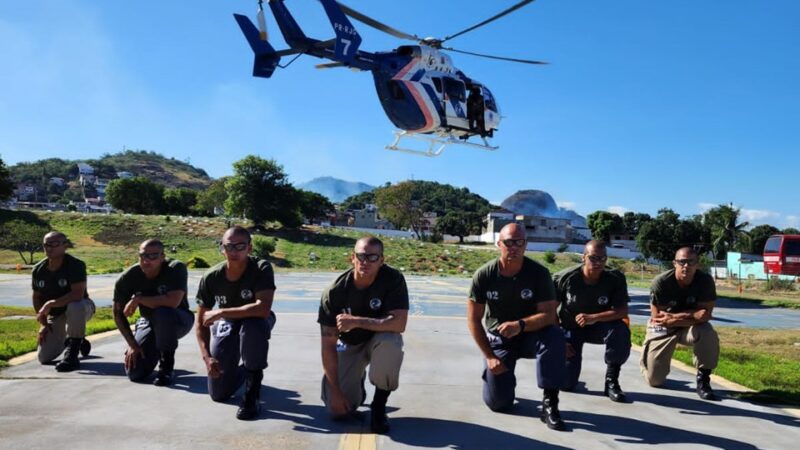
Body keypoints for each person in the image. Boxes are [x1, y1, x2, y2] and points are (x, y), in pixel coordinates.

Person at [467, 223, 567, 431]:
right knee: (498, 404)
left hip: (531, 334)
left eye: (519, 242)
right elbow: (474, 320)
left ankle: (550, 403)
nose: (514, 247)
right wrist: (490, 356)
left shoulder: (539, 273)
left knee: (555, 336)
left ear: (525, 245)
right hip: (501, 338)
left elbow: (549, 315)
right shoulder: (484, 275)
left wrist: (521, 325)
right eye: (508, 242)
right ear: (499, 244)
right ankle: (503, 380)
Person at [318, 236, 408, 434]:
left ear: (382, 260)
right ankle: (356, 382)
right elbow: (327, 345)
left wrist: (357, 321)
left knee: (391, 341)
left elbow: (400, 323)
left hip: (378, 339)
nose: (366, 262)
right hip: (350, 345)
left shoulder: (393, 279)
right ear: (352, 258)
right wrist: (335, 391)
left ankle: (378, 406)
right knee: (338, 412)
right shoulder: (334, 292)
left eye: (373, 257)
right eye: (361, 256)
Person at [195, 226, 277, 420]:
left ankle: (252, 391)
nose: (233, 251)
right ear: (222, 248)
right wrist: (207, 357)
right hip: (228, 323)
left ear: (249, 248)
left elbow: (262, 309)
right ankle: (243, 372)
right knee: (219, 393)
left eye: (240, 246)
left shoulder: (261, 268)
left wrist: (222, 311)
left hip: (257, 319)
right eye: (229, 246)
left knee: (252, 327)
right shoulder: (211, 277)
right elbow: (201, 322)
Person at [553, 240, 631, 402]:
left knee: (620, 330)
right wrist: (559, 339)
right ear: (583, 257)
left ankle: (611, 381)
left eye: (603, 259)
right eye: (594, 258)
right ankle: (568, 372)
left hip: (599, 327)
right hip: (571, 328)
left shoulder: (614, 278)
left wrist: (593, 318)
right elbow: (549, 311)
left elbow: (622, 311)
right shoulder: (565, 278)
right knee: (566, 385)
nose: (598, 263)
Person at [640, 247, 720, 400]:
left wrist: (675, 317)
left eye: (691, 262)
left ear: (698, 264)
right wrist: (692, 314)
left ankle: (703, 380)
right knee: (654, 380)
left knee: (706, 331)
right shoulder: (661, 282)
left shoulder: (705, 281)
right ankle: (647, 359)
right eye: (682, 262)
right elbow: (659, 318)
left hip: (688, 327)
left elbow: (705, 315)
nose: (686, 266)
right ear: (674, 263)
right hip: (663, 328)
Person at [112, 239, 194, 386]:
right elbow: (118, 313)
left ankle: (166, 367)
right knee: (135, 372)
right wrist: (132, 344)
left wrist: (139, 299)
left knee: (163, 312)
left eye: (153, 256)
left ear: (163, 257)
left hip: (178, 319)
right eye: (143, 255)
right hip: (149, 321)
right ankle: (153, 347)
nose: (146, 260)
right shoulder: (128, 277)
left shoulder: (175, 268)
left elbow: (172, 302)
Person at [32, 231, 95, 372]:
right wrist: (43, 323)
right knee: (44, 357)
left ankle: (72, 357)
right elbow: (36, 297)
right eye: (46, 244)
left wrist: (49, 304)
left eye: (54, 244)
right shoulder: (38, 269)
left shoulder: (75, 265)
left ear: (65, 246)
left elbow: (77, 294)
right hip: (58, 313)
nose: (49, 248)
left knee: (75, 306)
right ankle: (77, 340)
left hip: (83, 307)